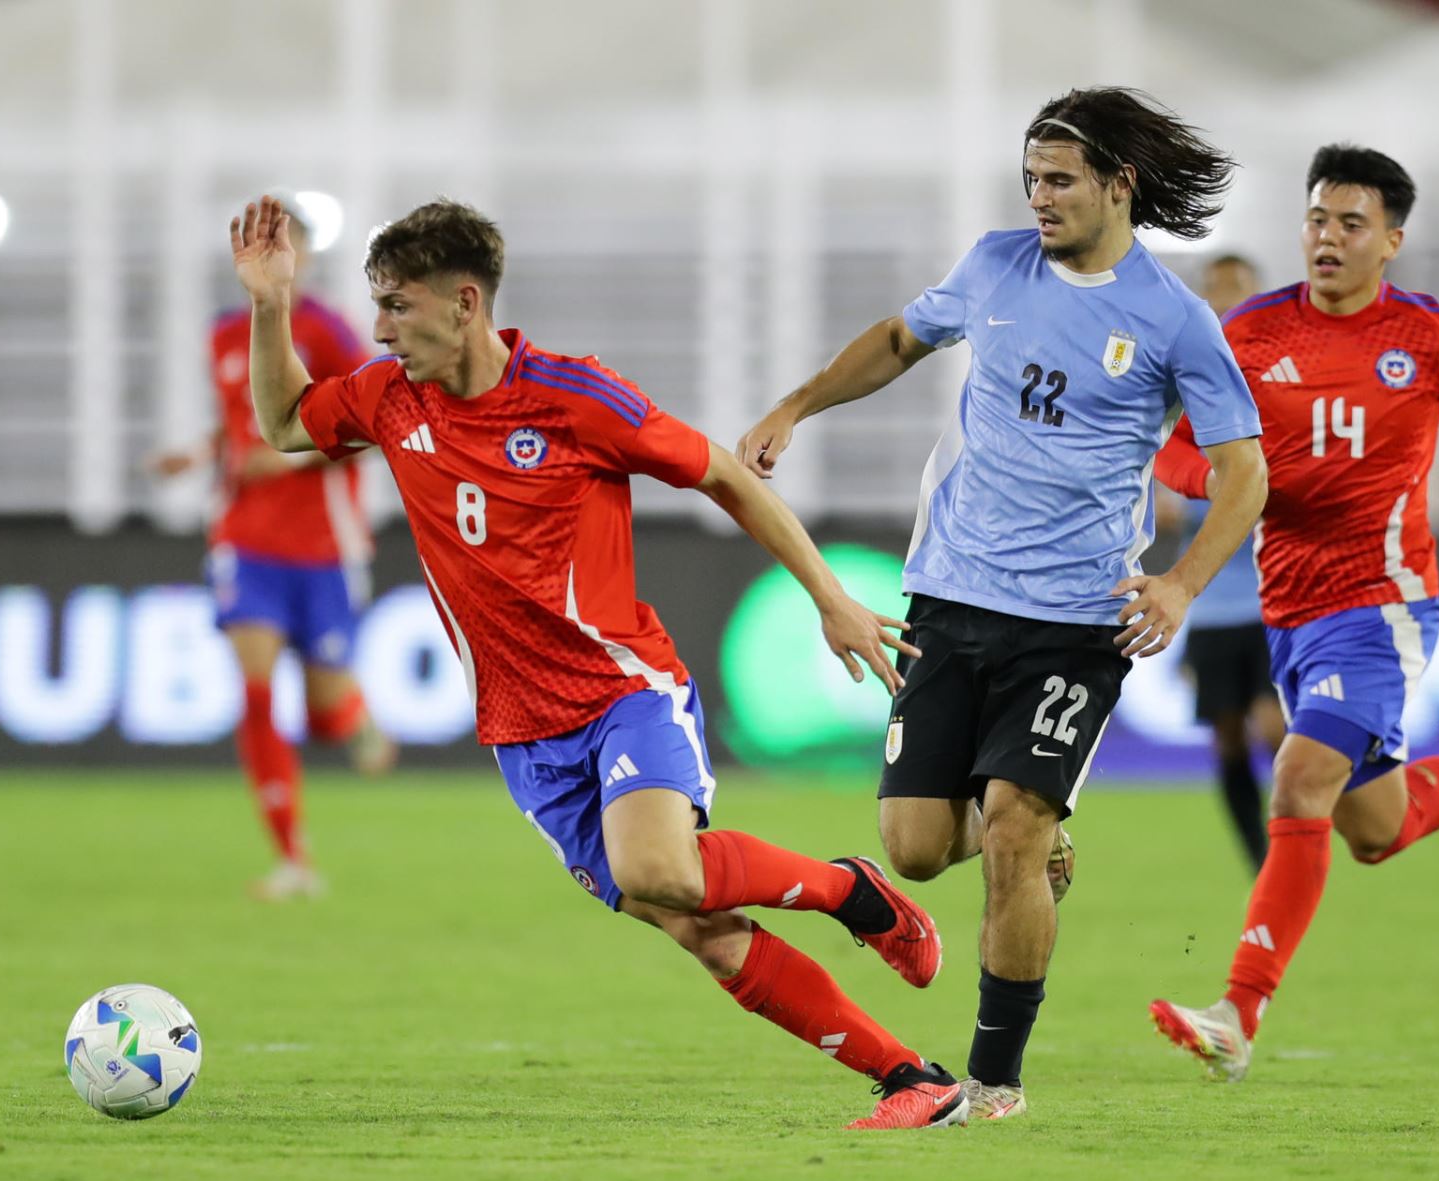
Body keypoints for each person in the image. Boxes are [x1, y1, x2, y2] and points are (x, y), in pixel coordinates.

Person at [229, 194, 968, 1130]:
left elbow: (727, 476)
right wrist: (270, 305)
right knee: (696, 926)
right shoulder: (390, 399)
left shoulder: (574, 396)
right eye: (376, 305)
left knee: (659, 865)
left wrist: (831, 598)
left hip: (623, 691)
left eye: (398, 305)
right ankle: (914, 1081)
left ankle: (848, 890)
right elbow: (287, 423)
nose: (380, 328)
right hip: (520, 734)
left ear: (465, 303)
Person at [737, 87, 1269, 1120]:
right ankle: (1037, 832)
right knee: (916, 849)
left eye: (1060, 179)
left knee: (1014, 830)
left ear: (1119, 185)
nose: (1040, 197)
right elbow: (900, 338)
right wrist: (794, 405)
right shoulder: (992, 265)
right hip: (949, 592)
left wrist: (1179, 583)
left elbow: (1243, 470)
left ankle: (994, 1084)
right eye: (1032, 178)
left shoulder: (1173, 318)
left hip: (1077, 619)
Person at [1149, 144, 1439, 1082]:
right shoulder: (1253, 332)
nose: (1327, 237)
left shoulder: (1430, 336)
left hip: (1385, 602)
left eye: (1351, 224)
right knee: (1373, 831)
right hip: (1290, 610)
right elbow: (1177, 450)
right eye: (1317, 219)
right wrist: (1231, 478)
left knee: (1300, 777)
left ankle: (1238, 1011)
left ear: (1391, 241)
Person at [154, 194, 395, 901]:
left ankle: (351, 712)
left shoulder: (327, 333)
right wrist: (200, 455)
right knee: (256, 690)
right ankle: (293, 857)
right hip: (245, 537)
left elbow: (371, 422)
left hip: (323, 544)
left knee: (321, 715)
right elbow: (239, 423)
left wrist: (288, 461)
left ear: (308, 256)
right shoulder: (222, 335)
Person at [1177, 253, 1284, 873]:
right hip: (1211, 601)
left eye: (1237, 294)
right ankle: (1259, 859)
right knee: (1226, 738)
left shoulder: (1277, 384)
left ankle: (1299, 837)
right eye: (1216, 295)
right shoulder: (1185, 387)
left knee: (1273, 727)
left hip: (1270, 600)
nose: (1226, 306)